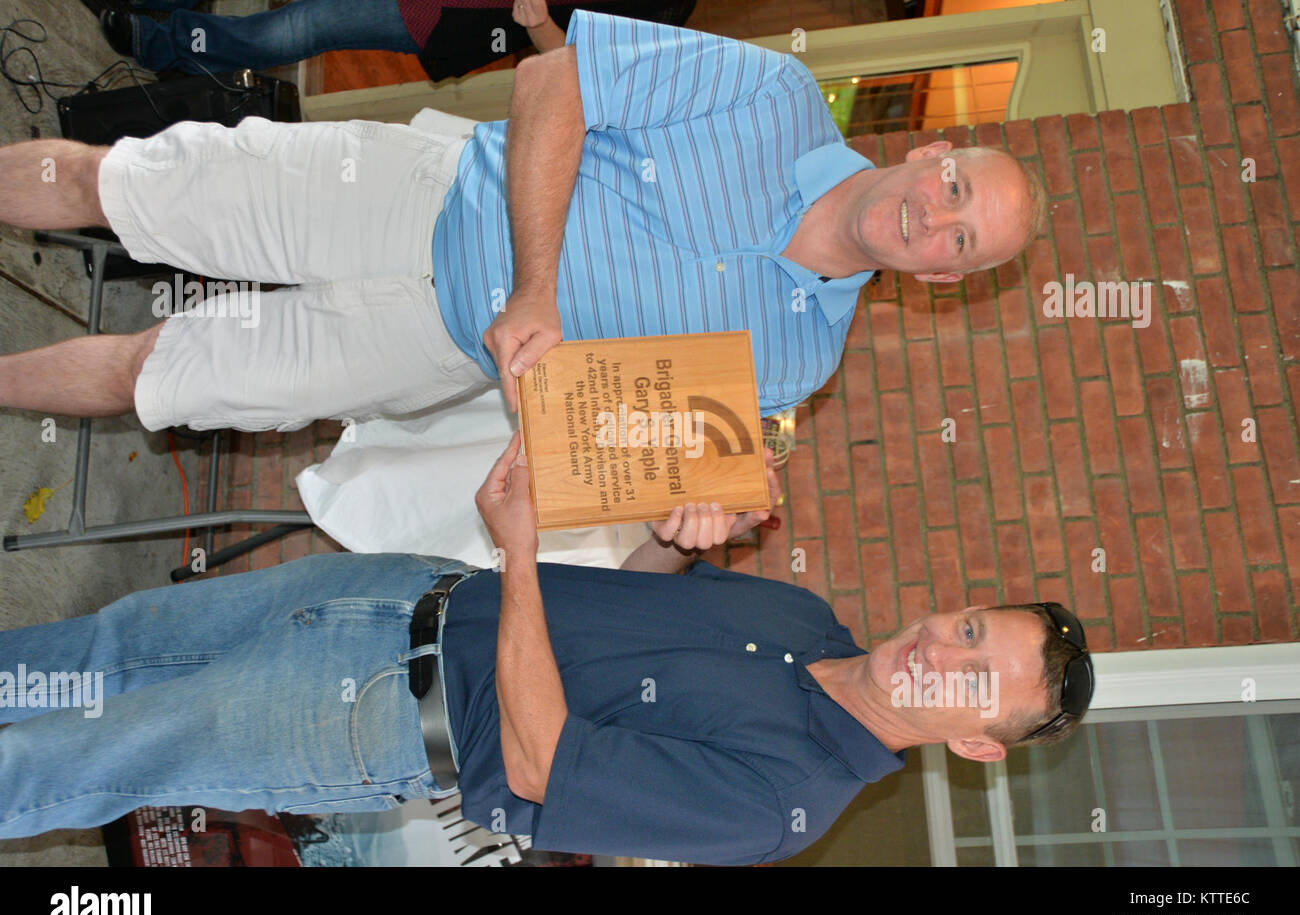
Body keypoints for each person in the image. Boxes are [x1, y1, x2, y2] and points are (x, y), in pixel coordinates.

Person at [0, 435, 1095, 864]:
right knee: (108, 645)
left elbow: (541, 762)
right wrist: (671, 538)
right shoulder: (810, 620)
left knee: (90, 754)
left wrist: (519, 553)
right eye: (967, 628)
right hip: (392, 594)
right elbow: (622, 613)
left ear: (978, 746)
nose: (937, 654)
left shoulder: (783, 804)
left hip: (377, 713)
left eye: (973, 682)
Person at [0, 11, 1045, 433]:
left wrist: (688, 511)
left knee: (161, 377)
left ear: (946, 280)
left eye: (961, 241)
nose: (932, 220)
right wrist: (539, 284)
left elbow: (604, 431)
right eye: (955, 190)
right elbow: (555, 79)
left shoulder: (798, 364)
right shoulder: (771, 94)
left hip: (424, 352)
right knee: (122, 185)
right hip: (410, 195)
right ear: (931, 152)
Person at [91, 0, 696, 82]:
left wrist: (537, 22)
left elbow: (574, 69)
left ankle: (161, 44)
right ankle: (190, 43)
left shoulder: (663, 11)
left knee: (308, 24)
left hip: (445, 17)